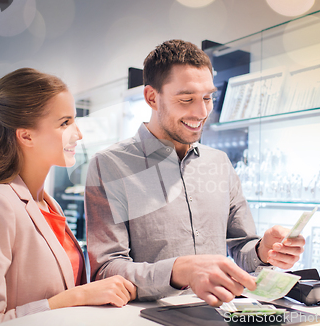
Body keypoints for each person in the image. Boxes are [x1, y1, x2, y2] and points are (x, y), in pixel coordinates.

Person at [85, 40, 305, 307]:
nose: (201, 113)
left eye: (207, 98)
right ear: (152, 97)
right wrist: (180, 270)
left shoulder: (219, 163)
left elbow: (241, 247)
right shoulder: (110, 165)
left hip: (221, 315)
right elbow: (106, 270)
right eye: (186, 99)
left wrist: (263, 250)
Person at [0, 68, 136, 326]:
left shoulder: (47, 204)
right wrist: (77, 296)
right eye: (65, 122)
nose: (78, 134)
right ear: (26, 135)